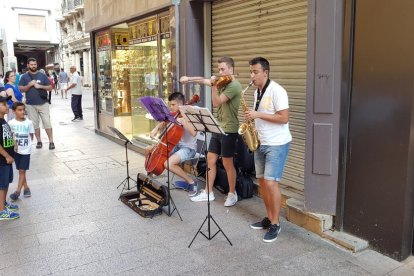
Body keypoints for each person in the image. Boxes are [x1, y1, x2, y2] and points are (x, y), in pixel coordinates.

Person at [180, 56, 242, 206]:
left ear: (231, 69)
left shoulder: (234, 86)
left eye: (223, 69)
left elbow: (216, 102)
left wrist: (214, 85)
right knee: (210, 160)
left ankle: (232, 194)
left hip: (229, 129)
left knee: (227, 163)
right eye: (219, 69)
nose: (220, 72)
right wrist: (189, 79)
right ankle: (208, 192)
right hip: (217, 127)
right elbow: (204, 80)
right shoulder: (222, 83)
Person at [244, 57, 291, 243]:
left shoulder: (277, 91)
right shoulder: (257, 92)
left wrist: (257, 114)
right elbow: (261, 117)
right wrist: (251, 121)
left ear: (266, 72)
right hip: (260, 142)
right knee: (263, 184)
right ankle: (270, 217)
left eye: (255, 72)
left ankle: (276, 223)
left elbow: (283, 118)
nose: (252, 75)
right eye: (250, 72)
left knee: (271, 184)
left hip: (277, 144)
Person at [145, 92, 198, 196]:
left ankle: (191, 182)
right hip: (175, 146)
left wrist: (184, 119)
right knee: (149, 149)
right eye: (170, 104)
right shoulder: (174, 114)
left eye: (173, 105)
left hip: (188, 148)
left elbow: (194, 132)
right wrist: (156, 129)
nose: (170, 107)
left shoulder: (190, 115)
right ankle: (150, 178)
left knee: (168, 164)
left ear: (180, 104)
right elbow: (164, 122)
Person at [18, 57, 55, 150]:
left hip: (43, 104)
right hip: (30, 105)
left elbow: (50, 87)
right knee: (35, 125)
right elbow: (21, 89)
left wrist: (40, 86)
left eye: (35, 64)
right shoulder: (24, 77)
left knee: (47, 122)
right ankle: (39, 141)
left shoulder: (42, 75)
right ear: (28, 65)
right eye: (31, 64)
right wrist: (29, 85)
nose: (33, 66)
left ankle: (51, 141)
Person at [8, 102, 34, 201]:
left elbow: (31, 135)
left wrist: (27, 145)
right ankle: (26, 187)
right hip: (15, 151)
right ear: (14, 112)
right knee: (20, 170)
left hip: (26, 150)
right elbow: (10, 136)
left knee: (22, 170)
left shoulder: (29, 122)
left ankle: (17, 192)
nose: (22, 112)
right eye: (19, 110)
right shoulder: (11, 123)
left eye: (23, 109)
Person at [0, 95, 19, 220]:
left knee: (6, 183)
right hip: (2, 160)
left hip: (7, 159)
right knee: (2, 185)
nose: (7, 106)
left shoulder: (3, 120)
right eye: (4, 104)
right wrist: (6, 156)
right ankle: (1, 211)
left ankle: (4, 203)